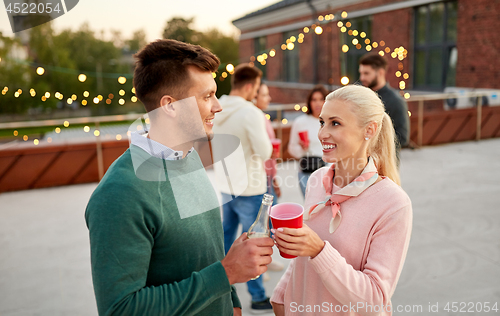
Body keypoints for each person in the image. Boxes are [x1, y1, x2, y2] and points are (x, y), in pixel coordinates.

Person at [85, 39, 274, 316]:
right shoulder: (119, 195)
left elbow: (207, 254)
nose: (218, 106)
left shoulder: (188, 157)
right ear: (170, 106)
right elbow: (121, 309)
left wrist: (231, 300)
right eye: (207, 96)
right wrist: (227, 273)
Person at [270, 85, 412, 316]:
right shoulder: (316, 180)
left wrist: (319, 250)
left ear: (369, 129)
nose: (322, 133)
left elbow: (374, 300)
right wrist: (282, 293)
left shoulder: (393, 203)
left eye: (335, 123)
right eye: (322, 122)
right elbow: (303, 256)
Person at [211, 64, 274, 312]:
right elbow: (265, 152)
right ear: (249, 86)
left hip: (226, 186)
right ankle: (258, 296)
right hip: (250, 187)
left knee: (226, 242)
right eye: (257, 88)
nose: (256, 93)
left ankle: (222, 290)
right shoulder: (250, 112)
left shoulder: (216, 108)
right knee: (254, 245)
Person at [359, 53, 410, 157]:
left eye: (366, 73)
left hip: (384, 164)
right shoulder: (360, 96)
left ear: (380, 72)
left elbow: (403, 138)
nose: (362, 77)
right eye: (361, 73)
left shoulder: (395, 101)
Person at [288, 85, 329, 196]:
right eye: (314, 99)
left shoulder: (331, 122)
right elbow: (291, 148)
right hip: (306, 170)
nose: (318, 103)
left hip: (327, 170)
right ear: (309, 102)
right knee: (309, 206)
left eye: (321, 99)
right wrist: (302, 149)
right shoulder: (300, 122)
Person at [254, 83, 281, 205]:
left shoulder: (264, 117)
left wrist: (274, 179)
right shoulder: (254, 119)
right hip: (259, 177)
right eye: (264, 95)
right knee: (269, 217)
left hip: (268, 176)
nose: (269, 98)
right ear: (254, 96)